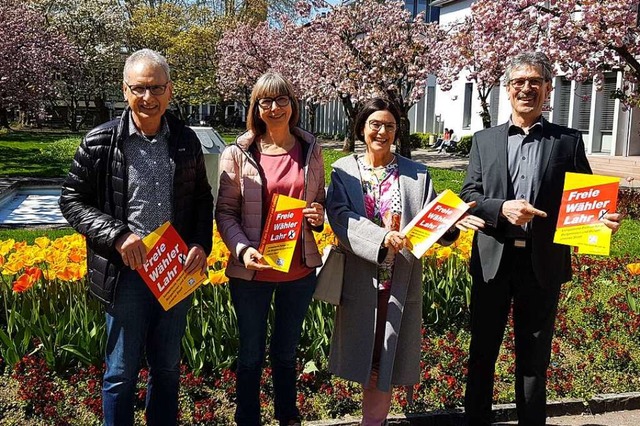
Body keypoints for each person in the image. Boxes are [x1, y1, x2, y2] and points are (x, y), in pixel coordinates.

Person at [460, 51, 621, 426]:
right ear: (507, 89)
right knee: (482, 352)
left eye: (535, 82)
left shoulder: (568, 141)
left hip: (542, 264)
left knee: (534, 358)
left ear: (548, 89)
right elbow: (470, 195)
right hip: (492, 260)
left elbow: (586, 197)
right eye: (519, 82)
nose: (527, 89)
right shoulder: (484, 140)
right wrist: (501, 209)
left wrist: (602, 219)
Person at [59, 49, 214, 426]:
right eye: (140, 89)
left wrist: (199, 244)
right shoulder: (100, 142)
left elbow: (200, 199)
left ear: (170, 91)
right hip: (125, 271)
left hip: (173, 268)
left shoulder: (185, 140)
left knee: (167, 367)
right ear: (125, 91)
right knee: (121, 372)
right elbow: (71, 200)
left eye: (157, 88)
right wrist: (117, 236)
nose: (149, 98)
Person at [326, 97, 484, 426]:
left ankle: (373, 423)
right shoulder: (343, 170)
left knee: (386, 360)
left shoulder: (416, 174)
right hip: (360, 280)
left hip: (399, 282)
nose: (382, 132)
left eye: (390, 126)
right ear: (361, 128)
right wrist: (381, 238)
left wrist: (450, 226)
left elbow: (431, 224)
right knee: (365, 359)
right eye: (375, 124)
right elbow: (340, 218)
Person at [215, 72, 326, 426]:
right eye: (266, 101)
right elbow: (225, 212)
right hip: (252, 271)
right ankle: (247, 418)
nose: (274, 107)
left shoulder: (311, 148)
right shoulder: (238, 153)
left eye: (282, 100)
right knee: (250, 353)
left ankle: (287, 415)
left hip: (298, 269)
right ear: (256, 108)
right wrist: (241, 249)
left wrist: (317, 215)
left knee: (286, 352)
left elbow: (319, 201)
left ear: (293, 105)